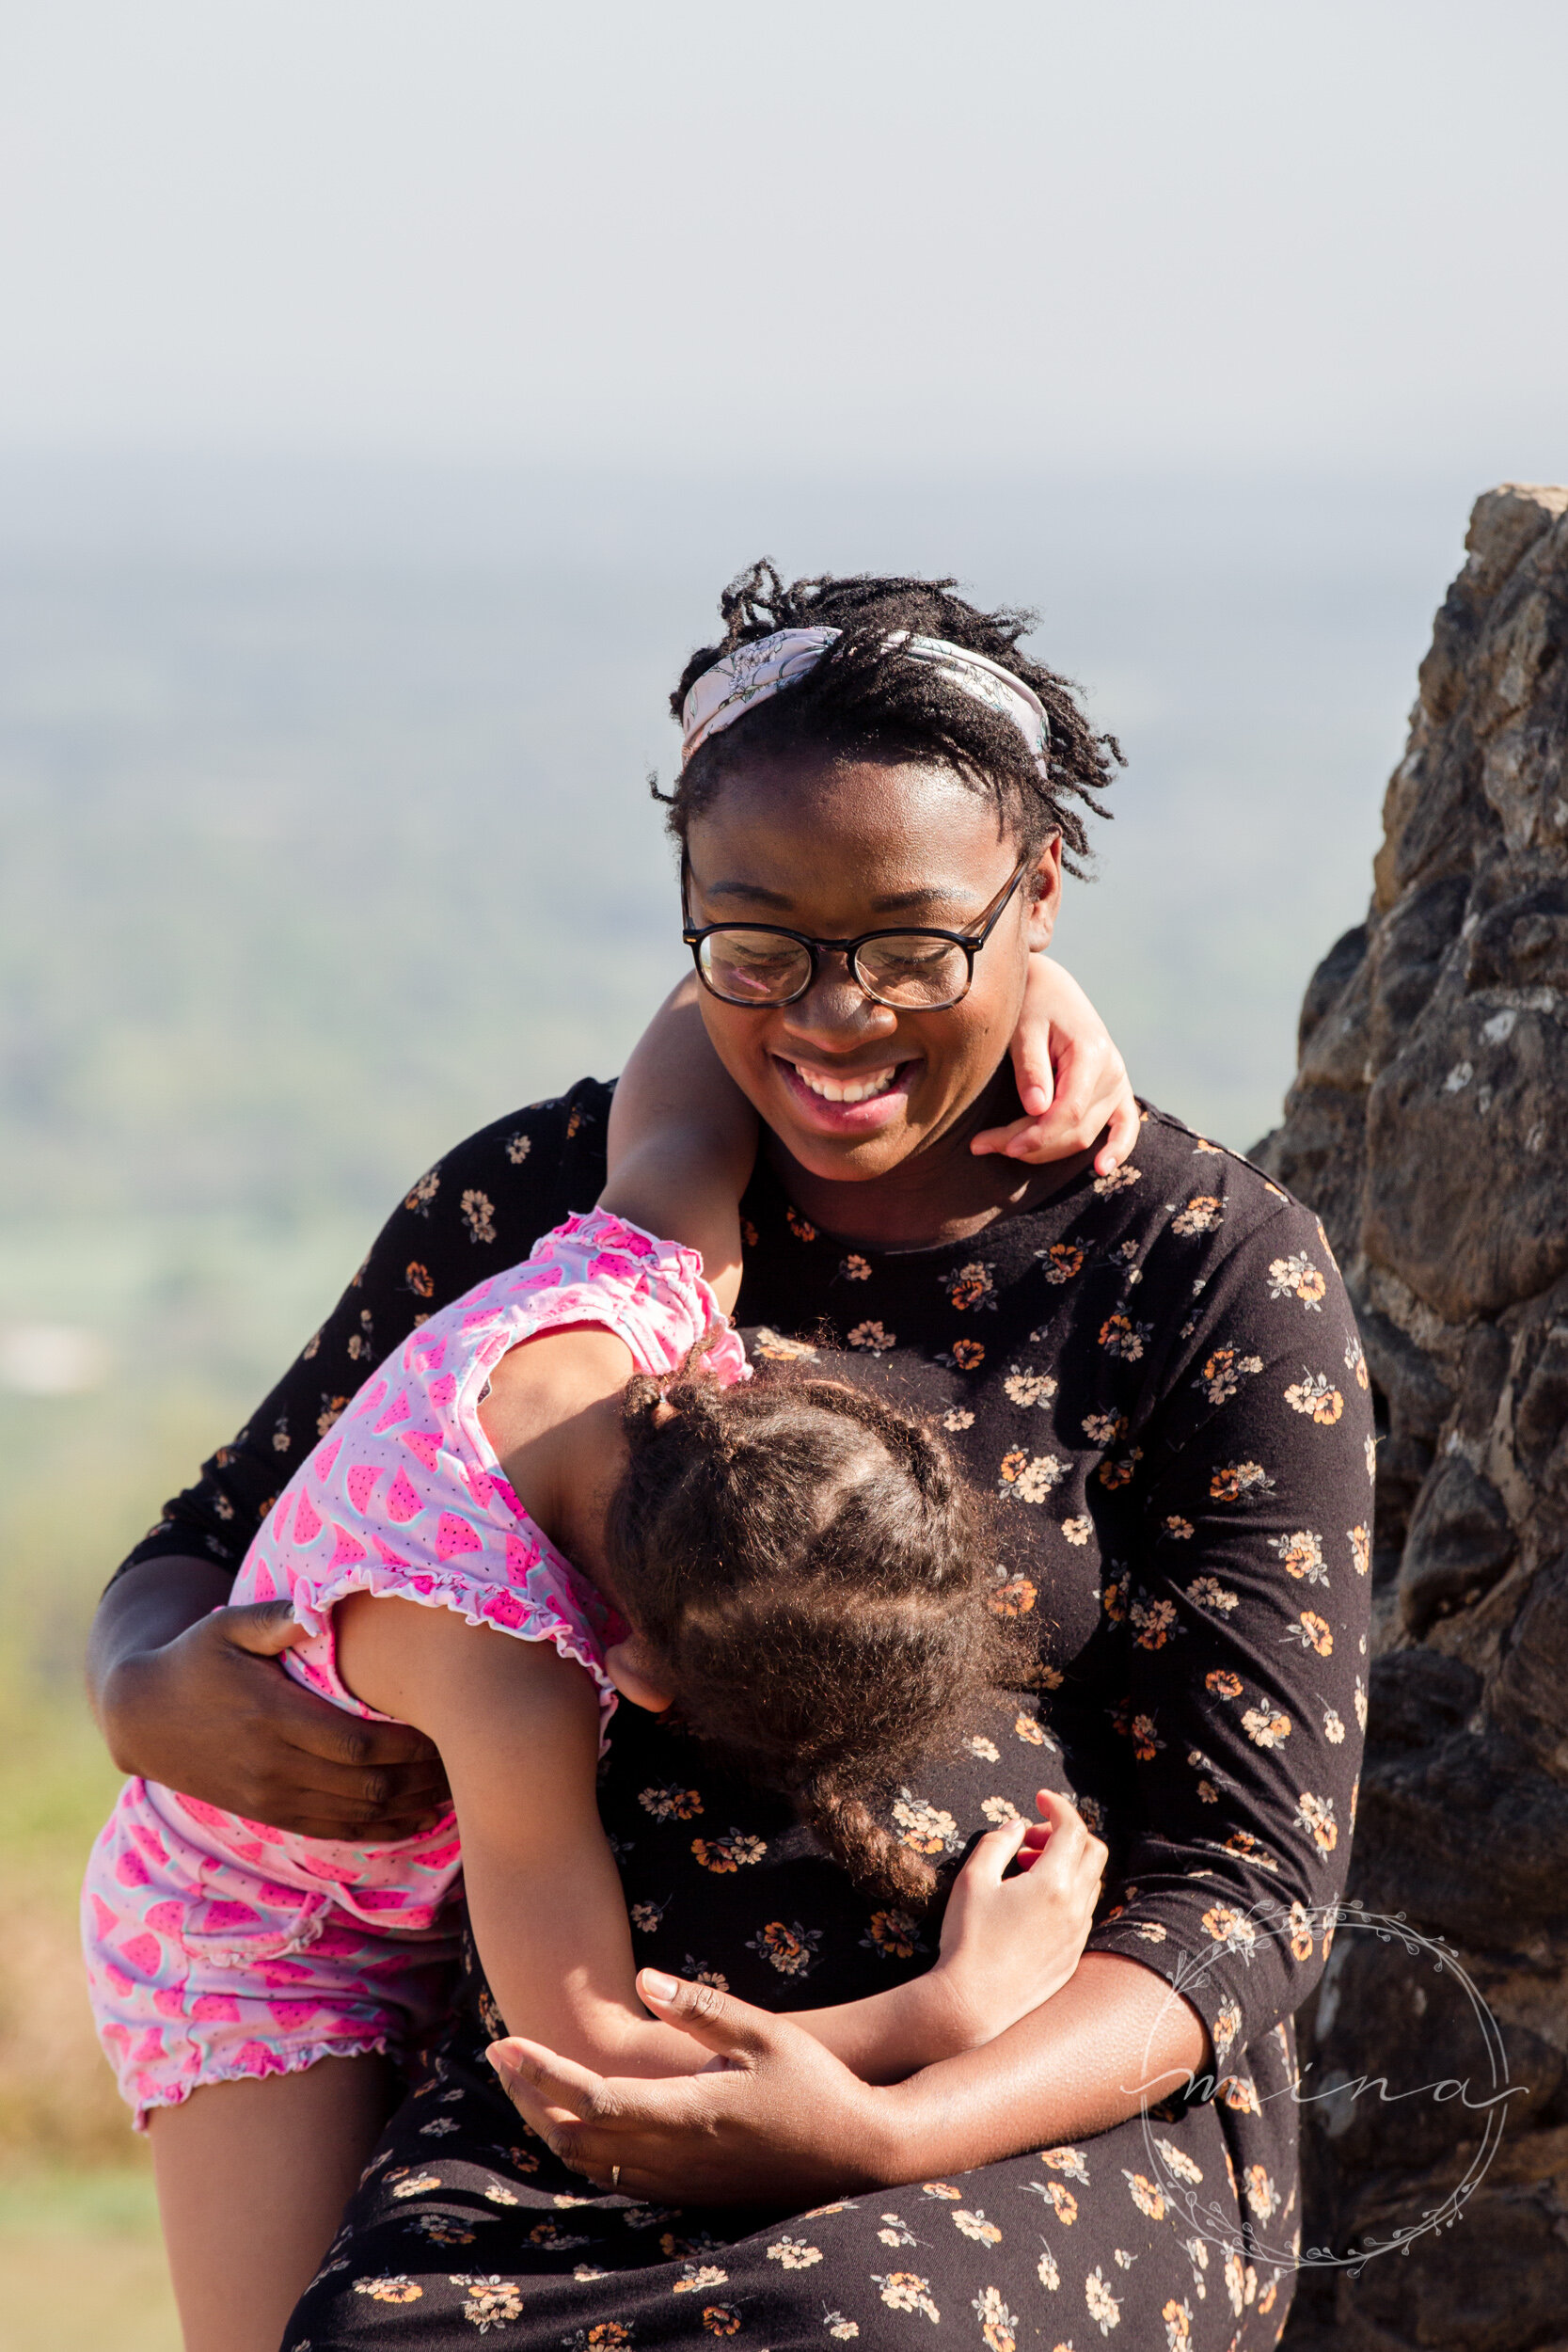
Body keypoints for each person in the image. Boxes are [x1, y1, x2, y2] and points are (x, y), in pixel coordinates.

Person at [89, 563, 1371, 2350]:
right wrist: (138, 1688)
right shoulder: (569, 1217)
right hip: (568, 2086)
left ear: (1041, 894)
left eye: (916, 946)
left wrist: (898, 2111)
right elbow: (213, 1540)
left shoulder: (1203, 1267)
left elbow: (1247, 1887)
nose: (837, 1025)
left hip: (1030, 2089)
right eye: (759, 945)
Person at [84, 960, 1108, 2352]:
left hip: (429, 1868)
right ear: (636, 1675)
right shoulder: (505, 1674)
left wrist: (1013, 985)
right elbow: (592, 2053)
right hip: (253, 1934)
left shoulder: (647, 1288)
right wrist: (945, 2007)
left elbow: (701, 1021)